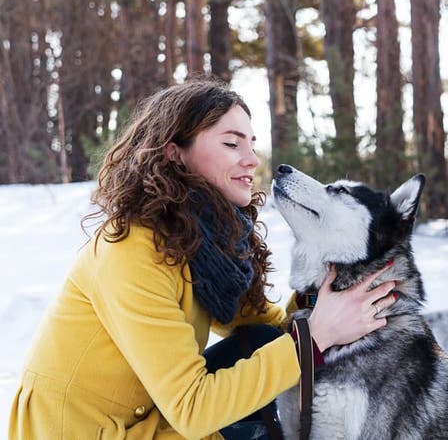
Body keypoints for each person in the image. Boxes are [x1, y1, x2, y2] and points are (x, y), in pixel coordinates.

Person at [8, 79, 397, 439]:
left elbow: (268, 331)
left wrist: (324, 296)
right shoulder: (133, 250)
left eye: (251, 143)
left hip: (144, 419)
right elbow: (193, 410)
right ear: (175, 153)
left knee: (261, 343)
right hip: (80, 432)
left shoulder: (205, 241)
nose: (251, 160)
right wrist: (317, 335)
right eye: (232, 144)